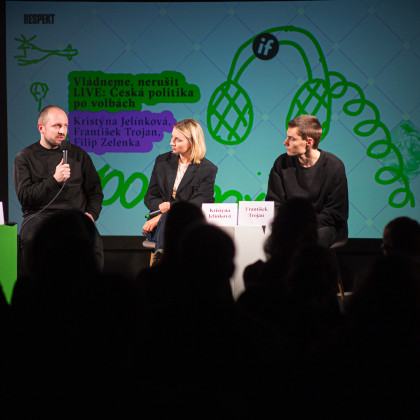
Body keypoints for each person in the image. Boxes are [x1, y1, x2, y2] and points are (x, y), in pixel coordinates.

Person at [13, 105, 104, 274]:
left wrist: (91, 214)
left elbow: (95, 191)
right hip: (39, 217)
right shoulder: (25, 157)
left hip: (74, 216)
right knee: (32, 241)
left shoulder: (79, 155)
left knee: (93, 244)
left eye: (66, 126)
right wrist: (54, 180)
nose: (63, 131)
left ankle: (91, 288)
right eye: (57, 126)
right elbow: (25, 197)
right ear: (41, 128)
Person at [266, 114, 348, 248]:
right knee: (272, 243)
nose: (285, 142)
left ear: (309, 142)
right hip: (291, 226)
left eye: (292, 138)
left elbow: (335, 212)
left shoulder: (334, 166)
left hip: (323, 226)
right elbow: (274, 203)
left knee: (307, 243)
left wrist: (303, 226)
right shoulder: (281, 163)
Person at [142, 118, 217, 258]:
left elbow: (198, 203)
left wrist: (163, 215)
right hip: (159, 227)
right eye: (172, 137)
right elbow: (150, 196)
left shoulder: (207, 169)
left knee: (176, 231)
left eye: (178, 139)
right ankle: (164, 256)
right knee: (169, 231)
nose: (172, 142)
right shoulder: (162, 161)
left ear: (192, 142)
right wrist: (161, 207)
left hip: (188, 225)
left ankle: (163, 257)